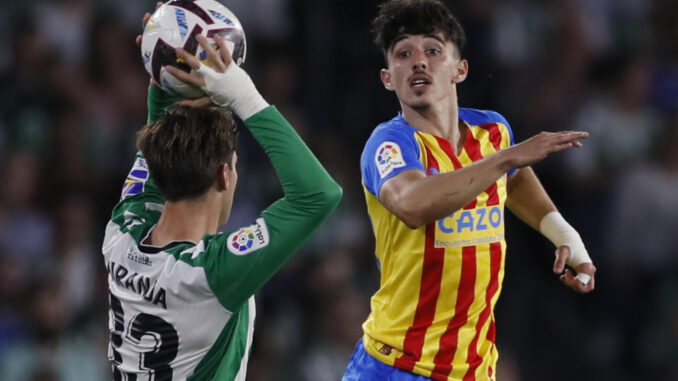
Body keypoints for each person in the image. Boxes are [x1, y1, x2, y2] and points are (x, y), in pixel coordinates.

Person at [342, 1, 596, 380]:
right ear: (387, 78)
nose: (418, 62)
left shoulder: (492, 133)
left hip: (475, 369)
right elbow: (413, 203)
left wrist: (564, 234)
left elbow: (516, 179)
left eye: (432, 50)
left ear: (460, 69)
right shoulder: (389, 144)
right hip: (396, 366)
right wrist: (508, 159)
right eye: (403, 54)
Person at [102, 28, 342, 380]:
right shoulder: (213, 274)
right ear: (224, 175)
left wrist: (163, 65)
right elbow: (318, 195)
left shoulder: (122, 233)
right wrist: (245, 98)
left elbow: (157, 146)